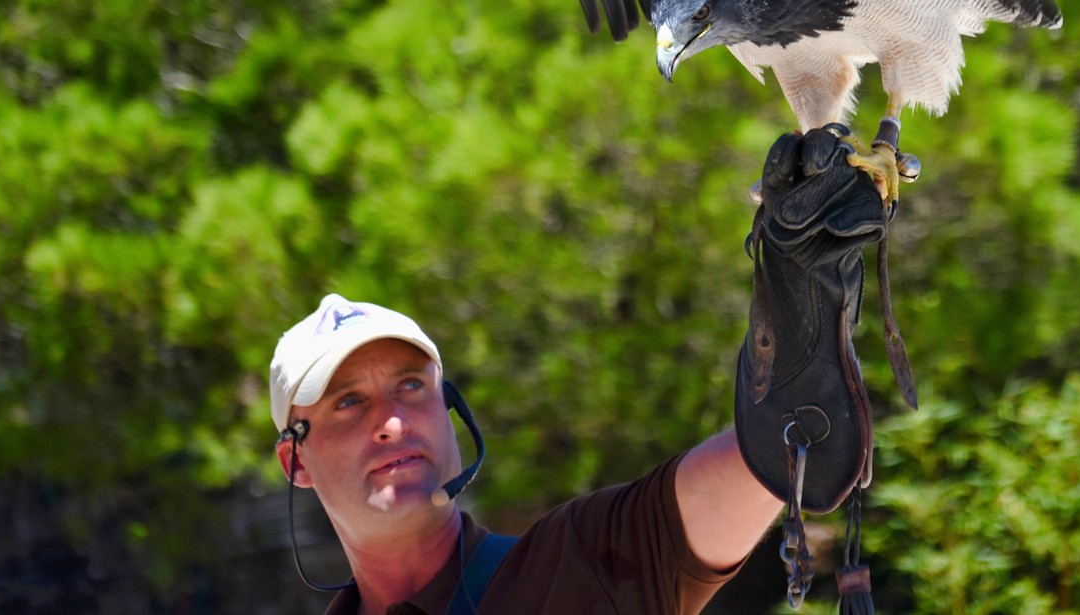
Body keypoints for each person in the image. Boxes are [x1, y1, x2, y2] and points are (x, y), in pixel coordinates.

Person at [270, 127, 890, 614]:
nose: (393, 422)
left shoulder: (581, 566)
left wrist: (798, 361)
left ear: (448, 408)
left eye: (411, 386)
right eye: (347, 403)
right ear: (295, 460)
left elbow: (775, 450)